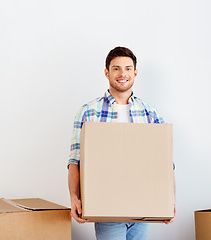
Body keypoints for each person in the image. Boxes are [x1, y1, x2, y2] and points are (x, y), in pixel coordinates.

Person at [68, 46, 176, 240]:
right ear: (106, 72)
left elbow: (165, 163)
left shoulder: (150, 112)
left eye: (127, 68)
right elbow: (75, 160)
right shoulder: (88, 112)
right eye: (116, 68)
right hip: (106, 207)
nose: (122, 73)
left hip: (143, 208)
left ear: (135, 73)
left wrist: (169, 201)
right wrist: (74, 198)